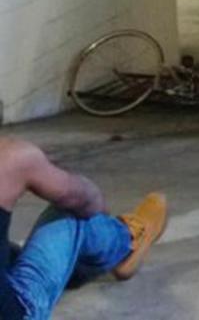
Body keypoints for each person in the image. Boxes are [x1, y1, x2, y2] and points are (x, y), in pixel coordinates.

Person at [0, 136, 167, 320]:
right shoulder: (13, 156)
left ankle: (75, 268)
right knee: (71, 213)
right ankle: (125, 240)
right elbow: (86, 201)